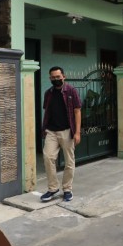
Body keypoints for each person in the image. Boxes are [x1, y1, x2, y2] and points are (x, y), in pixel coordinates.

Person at [40, 66, 82, 203]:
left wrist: (77, 132)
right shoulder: (48, 93)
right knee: (48, 157)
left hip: (67, 131)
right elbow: (47, 112)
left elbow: (77, 111)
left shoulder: (71, 91)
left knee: (69, 161)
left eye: (58, 77)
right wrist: (44, 129)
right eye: (53, 77)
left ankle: (67, 189)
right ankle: (53, 188)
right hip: (51, 131)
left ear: (64, 76)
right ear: (50, 78)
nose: (56, 79)